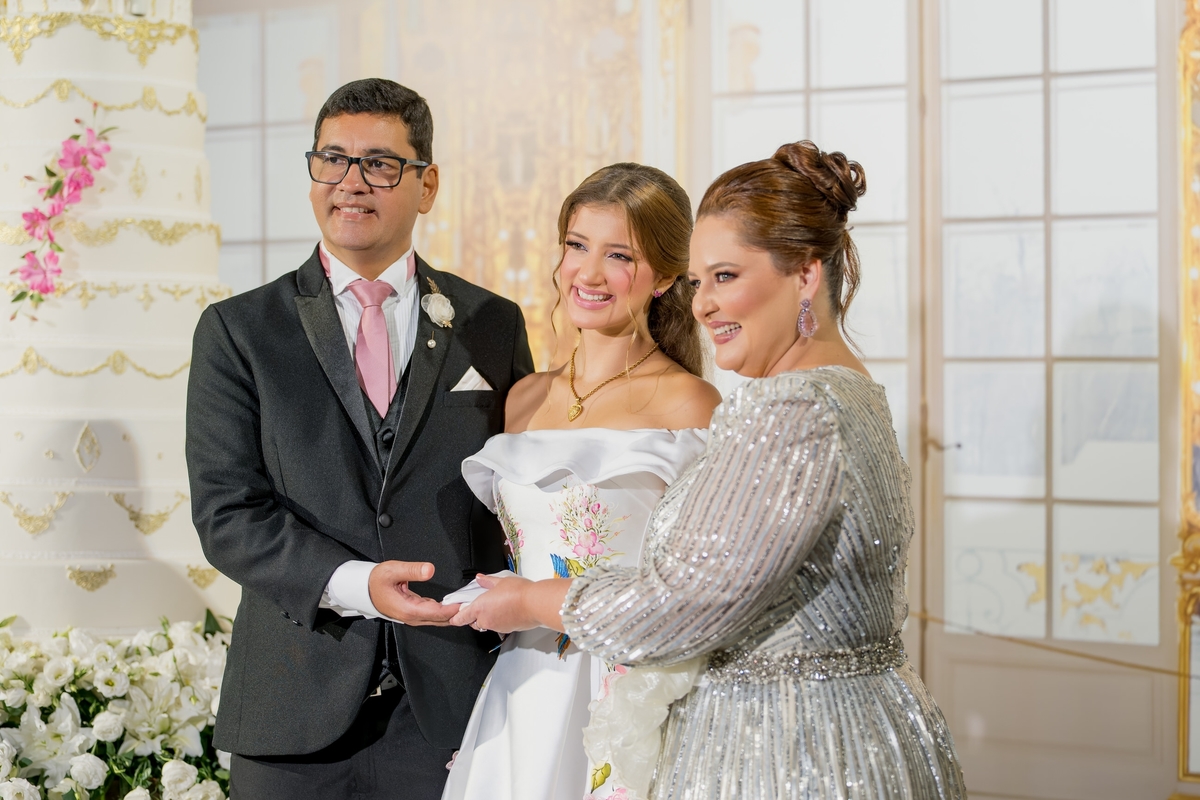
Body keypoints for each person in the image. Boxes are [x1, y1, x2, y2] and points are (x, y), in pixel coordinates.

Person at [453, 141, 967, 799]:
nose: (702, 305)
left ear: (805, 276)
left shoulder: (795, 410)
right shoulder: (841, 392)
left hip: (796, 747)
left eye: (725, 276)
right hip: (838, 731)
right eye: (701, 282)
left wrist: (528, 601)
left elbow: (683, 603)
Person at [186, 78, 534, 800]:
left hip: (451, 708)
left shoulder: (491, 324)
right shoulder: (238, 331)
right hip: (291, 712)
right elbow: (227, 515)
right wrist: (356, 585)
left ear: (426, 184)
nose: (351, 182)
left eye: (379, 163)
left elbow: (520, 500)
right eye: (333, 159)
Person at [441, 163, 721, 800]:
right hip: (522, 689)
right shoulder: (523, 398)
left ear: (666, 277)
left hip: (628, 689)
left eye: (619, 255)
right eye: (576, 245)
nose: (588, 274)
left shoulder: (691, 404)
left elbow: (704, 589)